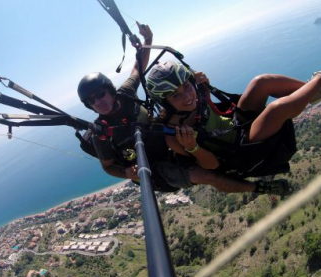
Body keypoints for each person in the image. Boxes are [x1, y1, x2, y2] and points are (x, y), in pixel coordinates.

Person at [77, 25, 292, 195]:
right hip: (156, 166)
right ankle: (260, 188)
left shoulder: (125, 94)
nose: (98, 102)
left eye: (100, 94)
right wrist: (125, 172)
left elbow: (138, 69)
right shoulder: (101, 132)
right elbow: (107, 166)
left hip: (168, 140)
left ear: (110, 90)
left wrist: (148, 41)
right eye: (91, 101)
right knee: (206, 175)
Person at [146, 60, 321, 188]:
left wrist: (204, 84)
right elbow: (212, 166)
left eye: (186, 86)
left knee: (261, 82)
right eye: (175, 95)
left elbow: (211, 106)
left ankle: (314, 91)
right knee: (276, 109)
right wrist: (192, 147)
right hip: (240, 149)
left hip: (237, 123)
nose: (187, 96)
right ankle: (319, 81)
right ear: (165, 102)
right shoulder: (174, 134)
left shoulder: (198, 94)